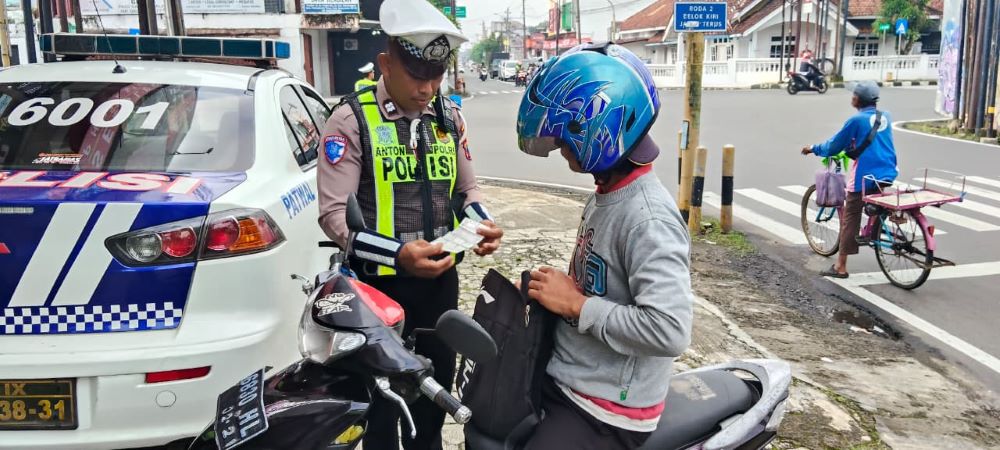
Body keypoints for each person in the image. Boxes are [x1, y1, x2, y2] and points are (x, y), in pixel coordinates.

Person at [316, 0, 504, 448]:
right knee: (380, 411)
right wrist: (398, 255)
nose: (427, 89)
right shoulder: (351, 120)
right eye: (417, 76)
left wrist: (482, 224)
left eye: (436, 77)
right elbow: (334, 216)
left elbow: (466, 191)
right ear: (386, 64)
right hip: (375, 295)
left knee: (433, 404)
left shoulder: (449, 116)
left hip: (439, 290)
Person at [514, 42, 694, 450]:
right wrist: (556, 290)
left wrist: (577, 305)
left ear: (599, 129)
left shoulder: (648, 219)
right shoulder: (607, 193)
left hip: (607, 406)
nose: (561, 148)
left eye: (565, 137)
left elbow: (670, 330)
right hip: (571, 374)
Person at [802, 80, 898, 278]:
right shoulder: (885, 116)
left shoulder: (856, 120)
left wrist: (813, 148)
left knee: (850, 217)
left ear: (858, 99)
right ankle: (873, 228)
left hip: (866, 175)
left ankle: (840, 267)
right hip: (888, 172)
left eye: (854, 95)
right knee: (874, 201)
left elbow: (833, 146)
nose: (852, 97)